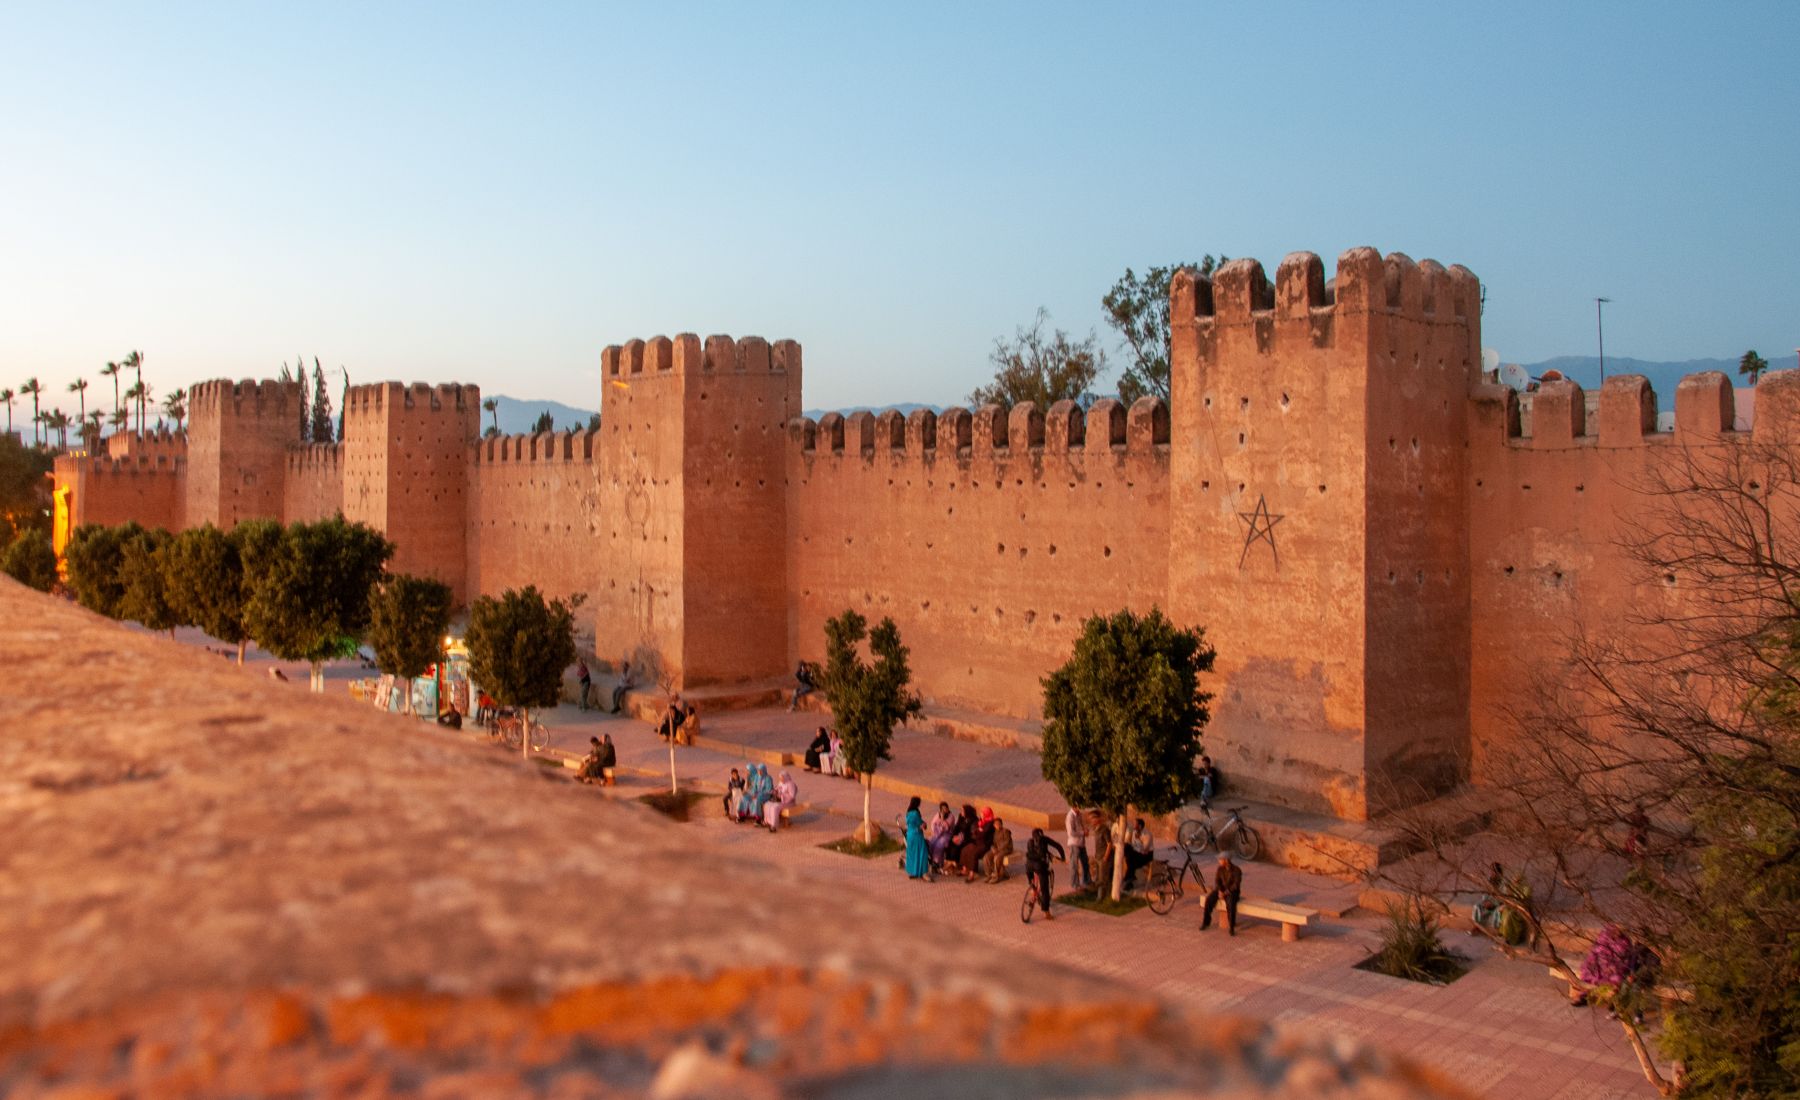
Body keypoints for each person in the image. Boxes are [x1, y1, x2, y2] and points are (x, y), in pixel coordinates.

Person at [1023, 826, 1066, 920]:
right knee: (1045, 890)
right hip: (1040, 866)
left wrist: (1048, 853)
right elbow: (1057, 846)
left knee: (1032, 881)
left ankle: (1032, 888)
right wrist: (1063, 857)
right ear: (1042, 834)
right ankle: (1046, 912)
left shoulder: (1030, 841)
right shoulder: (1044, 839)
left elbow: (1039, 851)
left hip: (1028, 866)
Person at [1201, 853, 1242, 935]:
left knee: (1230, 904)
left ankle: (1231, 927)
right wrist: (1220, 891)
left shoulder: (1237, 870)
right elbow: (1217, 881)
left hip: (1232, 892)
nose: (1219, 861)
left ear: (1226, 860)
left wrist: (1226, 892)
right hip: (1221, 890)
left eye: (1220, 859)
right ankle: (1206, 922)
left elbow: (1236, 885)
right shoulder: (1220, 869)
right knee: (1209, 900)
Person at [957, 807, 996, 881]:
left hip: (985, 845)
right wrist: (978, 831)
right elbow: (974, 831)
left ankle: (972, 873)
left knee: (973, 853)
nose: (981, 815)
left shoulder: (990, 824)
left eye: (982, 813)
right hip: (977, 842)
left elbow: (983, 834)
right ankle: (965, 869)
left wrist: (978, 831)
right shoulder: (982, 821)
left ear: (986, 814)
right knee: (965, 849)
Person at [902, 795, 932, 880]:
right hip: (917, 835)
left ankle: (913, 872)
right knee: (922, 853)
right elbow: (921, 824)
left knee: (912, 854)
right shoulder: (915, 813)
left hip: (910, 835)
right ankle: (923, 873)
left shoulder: (908, 812)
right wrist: (924, 825)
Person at [1122, 818, 1155, 890]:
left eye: (1135, 824)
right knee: (1126, 847)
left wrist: (1139, 838)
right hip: (1136, 852)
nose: (1134, 826)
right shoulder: (1134, 832)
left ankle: (1128, 878)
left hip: (1146, 855)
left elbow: (1144, 849)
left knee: (1131, 861)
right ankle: (1130, 879)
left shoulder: (1147, 834)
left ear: (1140, 826)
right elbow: (1133, 844)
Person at [1065, 805, 1090, 891]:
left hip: (1081, 842)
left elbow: (1081, 825)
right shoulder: (1070, 817)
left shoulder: (1079, 815)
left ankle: (1086, 881)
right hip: (1074, 843)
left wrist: (1085, 830)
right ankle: (1074, 884)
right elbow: (1071, 832)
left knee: (1085, 862)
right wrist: (1083, 833)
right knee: (1074, 864)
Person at [982, 818, 1014, 883]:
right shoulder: (995, 833)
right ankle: (989, 874)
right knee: (986, 857)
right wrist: (993, 848)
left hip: (1006, 849)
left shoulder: (1006, 831)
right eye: (996, 824)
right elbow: (993, 843)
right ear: (994, 825)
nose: (997, 825)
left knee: (997, 858)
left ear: (1001, 824)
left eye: (999, 824)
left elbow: (1007, 842)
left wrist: (998, 849)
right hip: (997, 849)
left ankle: (996, 876)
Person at [927, 802, 954, 870]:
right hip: (937, 833)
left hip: (947, 834)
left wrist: (942, 819)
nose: (945, 810)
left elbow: (946, 827)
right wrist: (936, 829)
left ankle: (938, 863)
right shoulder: (938, 814)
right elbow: (933, 823)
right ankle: (931, 860)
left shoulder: (951, 816)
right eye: (943, 809)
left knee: (939, 845)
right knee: (931, 843)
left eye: (946, 808)